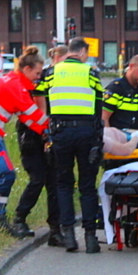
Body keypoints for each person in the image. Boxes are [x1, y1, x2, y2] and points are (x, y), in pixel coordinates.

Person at [0, 46, 50, 236]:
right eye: (37, 73)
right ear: (27, 69)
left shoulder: (15, 83)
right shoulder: (15, 86)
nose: (38, 77)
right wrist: (52, 128)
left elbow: (26, 118)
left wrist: (45, 131)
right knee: (7, 176)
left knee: (4, 177)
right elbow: (32, 113)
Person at [33, 37, 104, 253]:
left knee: (64, 184)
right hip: (86, 133)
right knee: (87, 186)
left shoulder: (51, 72)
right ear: (82, 52)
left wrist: (48, 123)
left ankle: (70, 236)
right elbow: (98, 104)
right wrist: (98, 137)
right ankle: (90, 238)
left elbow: (39, 95)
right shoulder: (91, 73)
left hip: (61, 133)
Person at [103, 54, 138, 131]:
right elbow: (104, 118)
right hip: (118, 135)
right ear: (131, 66)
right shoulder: (115, 89)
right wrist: (110, 136)